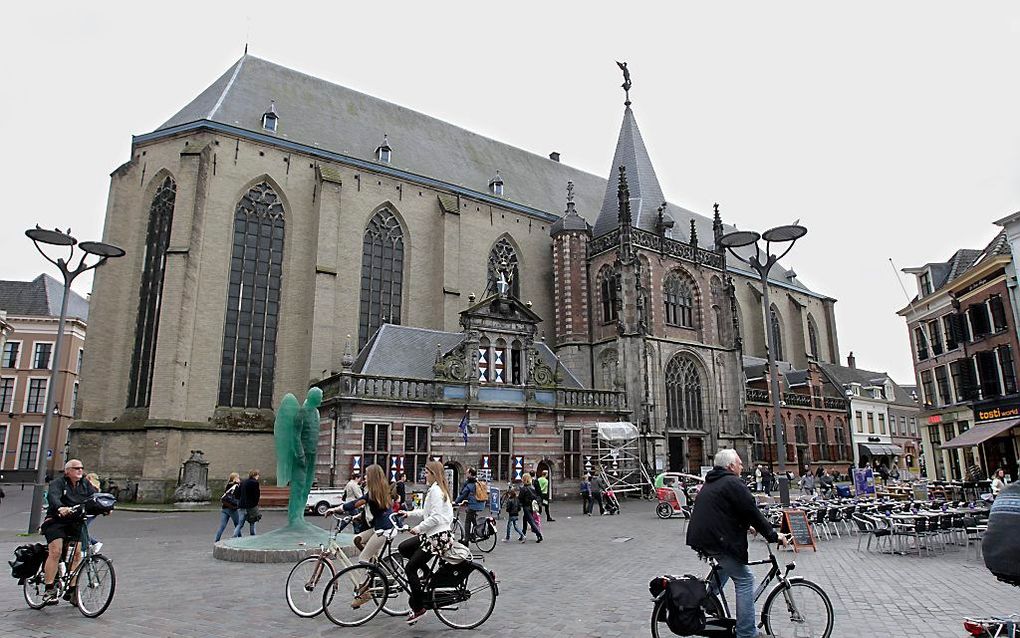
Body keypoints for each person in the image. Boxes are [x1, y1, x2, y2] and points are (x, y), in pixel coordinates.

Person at [687, 449, 786, 638]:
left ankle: (707, 599)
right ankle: (746, 633)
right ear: (731, 466)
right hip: (716, 539)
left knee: (725, 568)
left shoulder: (714, 480)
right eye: (740, 463)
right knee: (745, 579)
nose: (742, 466)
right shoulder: (732, 482)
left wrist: (746, 525)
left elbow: (724, 509)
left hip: (706, 537)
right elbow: (751, 510)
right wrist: (773, 535)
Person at [327, 464, 398, 607]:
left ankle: (365, 592)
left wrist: (335, 509)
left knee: (362, 558)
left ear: (372, 477)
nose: (364, 477)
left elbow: (354, 504)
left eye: (366, 474)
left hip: (384, 530)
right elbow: (372, 510)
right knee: (357, 539)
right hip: (379, 527)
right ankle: (373, 564)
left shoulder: (373, 493)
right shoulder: (378, 491)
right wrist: (356, 517)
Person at [399, 460, 454, 626]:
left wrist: (418, 528)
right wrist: (409, 514)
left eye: (427, 472)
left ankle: (418, 607)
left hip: (437, 537)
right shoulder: (436, 490)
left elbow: (436, 517)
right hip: (433, 534)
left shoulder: (436, 491)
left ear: (434, 474)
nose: (425, 475)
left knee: (410, 568)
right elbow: (427, 512)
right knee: (404, 548)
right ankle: (428, 575)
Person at [40, 459, 97, 605]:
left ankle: (72, 590)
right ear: (67, 471)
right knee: (56, 551)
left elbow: (93, 497)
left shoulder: (85, 483)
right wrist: (60, 507)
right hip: (56, 521)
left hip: (75, 521)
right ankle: (49, 588)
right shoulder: (58, 483)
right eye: (76, 468)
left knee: (77, 554)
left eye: (81, 468)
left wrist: (104, 507)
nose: (80, 470)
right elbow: (53, 496)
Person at [454, 468, 485, 543]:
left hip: (473, 505)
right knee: (472, 518)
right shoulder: (478, 482)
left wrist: (456, 502)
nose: (466, 474)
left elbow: (463, 495)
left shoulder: (470, 484)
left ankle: (466, 540)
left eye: (467, 473)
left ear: (470, 474)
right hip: (481, 504)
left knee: (467, 521)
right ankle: (475, 533)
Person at [233, 469, 261, 537]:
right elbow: (256, 495)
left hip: (242, 505)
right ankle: (253, 536)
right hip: (251, 506)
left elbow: (237, 494)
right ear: (255, 475)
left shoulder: (243, 482)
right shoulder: (255, 483)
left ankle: (234, 536)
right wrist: (255, 503)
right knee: (252, 522)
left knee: (240, 523)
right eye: (258, 475)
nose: (258, 476)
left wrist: (240, 501)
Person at [214, 472, 242, 542]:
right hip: (232, 508)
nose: (239, 479)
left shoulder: (228, 485)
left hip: (224, 508)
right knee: (238, 524)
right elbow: (238, 496)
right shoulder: (236, 486)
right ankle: (241, 539)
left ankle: (216, 540)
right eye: (238, 477)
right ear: (235, 478)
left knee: (222, 526)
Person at [517, 472, 544, 542]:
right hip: (532, 506)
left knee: (531, 522)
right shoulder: (532, 487)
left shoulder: (523, 489)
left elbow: (520, 498)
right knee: (524, 520)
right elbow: (535, 496)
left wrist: (518, 506)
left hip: (526, 507)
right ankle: (522, 535)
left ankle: (539, 535)